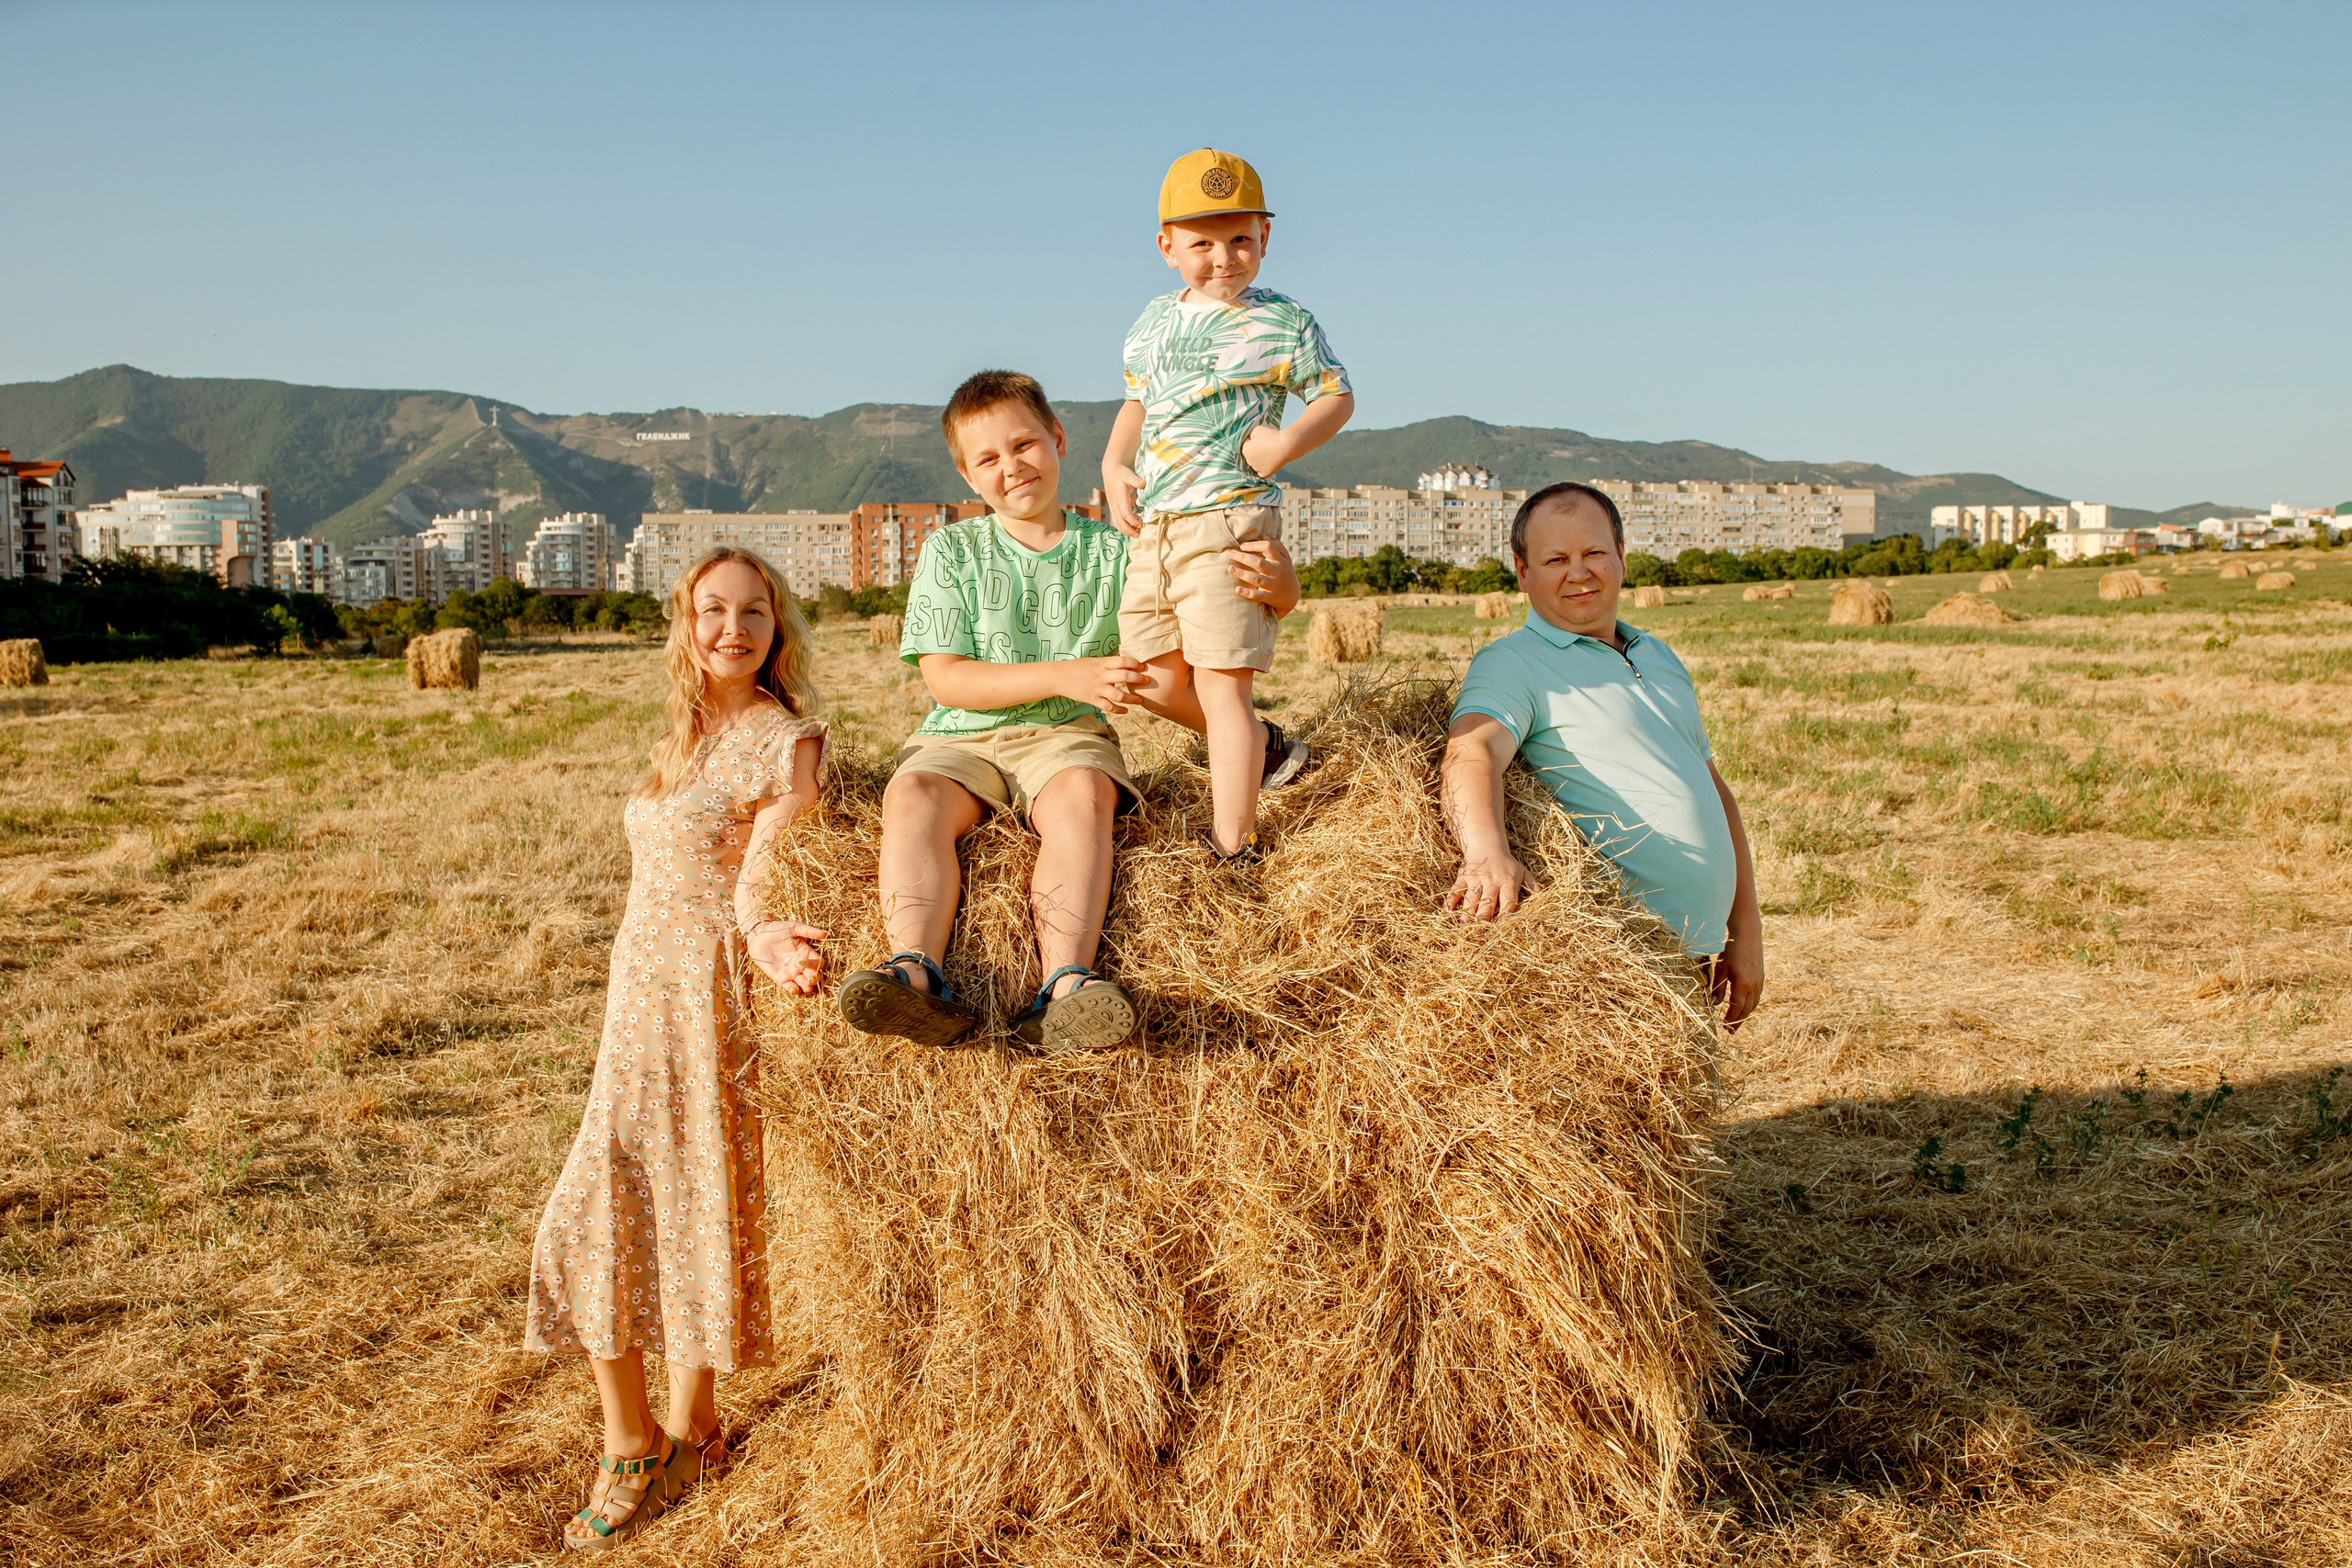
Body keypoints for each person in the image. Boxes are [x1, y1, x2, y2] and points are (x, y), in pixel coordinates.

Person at [839, 369, 1303, 1054]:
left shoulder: (1118, 553)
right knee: (911, 796)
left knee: (1082, 796)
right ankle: (913, 971)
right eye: (988, 459)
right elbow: (947, 680)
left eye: (1024, 444)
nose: (1012, 467)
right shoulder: (952, 550)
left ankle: (1067, 984)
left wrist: (1281, 598)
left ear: (1057, 439)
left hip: (1068, 737)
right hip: (960, 737)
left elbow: (1174, 674)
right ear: (968, 476)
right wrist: (1070, 672)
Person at [524, 546, 830, 1551]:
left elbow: (768, 873)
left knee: (688, 1198)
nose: (731, 629)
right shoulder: (682, 735)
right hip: (635, 999)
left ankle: (643, 1446)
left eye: (753, 612)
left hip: (709, 997)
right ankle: (681, 1429)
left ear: (777, 628)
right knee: (613, 1200)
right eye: (712, 610)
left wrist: (761, 938)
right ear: (685, 624)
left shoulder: (786, 742)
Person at [1101, 148, 1349, 862]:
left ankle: (1232, 846)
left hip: (1230, 518)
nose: (1224, 257)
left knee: (1220, 685)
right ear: (1167, 246)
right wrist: (1114, 463)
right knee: (1147, 675)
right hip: (1158, 526)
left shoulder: (1284, 322)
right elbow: (1138, 402)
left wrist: (1287, 444)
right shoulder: (1150, 322)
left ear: (1265, 238)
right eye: (1202, 243)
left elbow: (1337, 394)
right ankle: (1267, 748)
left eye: (1241, 239)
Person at [1440, 482, 1764, 1028]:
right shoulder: (1514, 662)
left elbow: (1713, 789)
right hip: (1618, 960)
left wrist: (1745, 929)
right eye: (1556, 559)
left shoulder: (1656, 653)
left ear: (1621, 557)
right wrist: (1486, 853)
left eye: (1593, 553)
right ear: (1522, 573)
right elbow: (1471, 751)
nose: (1580, 572)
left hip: (1696, 958)